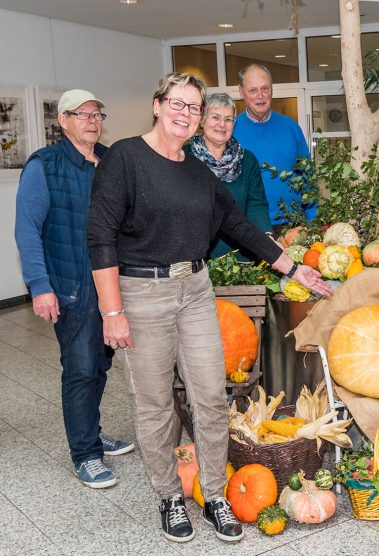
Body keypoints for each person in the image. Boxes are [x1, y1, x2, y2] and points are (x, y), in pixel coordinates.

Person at [87, 73, 332, 544]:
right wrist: (112, 310)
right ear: (157, 105)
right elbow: (100, 236)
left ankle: (216, 493)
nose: (186, 114)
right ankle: (169, 496)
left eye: (194, 107)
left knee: (212, 396)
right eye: (177, 104)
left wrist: (293, 268)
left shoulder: (199, 172)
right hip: (141, 293)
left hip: (196, 288)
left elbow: (239, 225)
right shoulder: (125, 159)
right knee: (156, 403)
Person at [14, 89, 134, 490]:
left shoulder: (110, 160)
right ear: (62, 121)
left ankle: (92, 432)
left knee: (100, 365)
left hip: (109, 286)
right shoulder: (44, 165)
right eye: (81, 114)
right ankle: (85, 454)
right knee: (81, 369)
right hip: (69, 287)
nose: (92, 121)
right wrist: (39, 286)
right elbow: (27, 230)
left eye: (97, 113)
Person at [184, 92, 272, 259]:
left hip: (242, 256)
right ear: (202, 120)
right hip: (195, 257)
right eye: (215, 117)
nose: (221, 125)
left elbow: (256, 204)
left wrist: (266, 239)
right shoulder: (184, 157)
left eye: (228, 119)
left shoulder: (247, 160)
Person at [233, 63, 313, 231]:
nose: (260, 96)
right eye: (252, 90)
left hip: (292, 224)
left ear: (272, 89)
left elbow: (308, 177)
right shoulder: (230, 130)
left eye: (265, 89)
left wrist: (312, 220)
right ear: (241, 92)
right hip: (248, 225)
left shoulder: (291, 128)